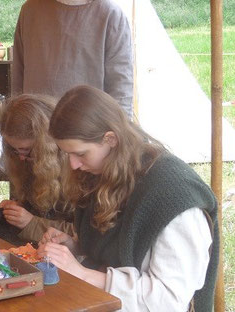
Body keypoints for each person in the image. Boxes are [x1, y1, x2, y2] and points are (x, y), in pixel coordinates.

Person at [38, 85, 218, 311]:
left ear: (111, 139)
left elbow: (169, 301)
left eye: (81, 154)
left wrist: (83, 274)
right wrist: (74, 248)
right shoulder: (104, 174)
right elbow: (119, 253)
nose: (73, 164)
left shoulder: (174, 196)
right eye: (68, 154)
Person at [12, 0, 133, 117]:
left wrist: (120, 135)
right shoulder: (31, 11)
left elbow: (121, 88)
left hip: (86, 134)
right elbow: (17, 75)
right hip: (36, 130)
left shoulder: (110, 15)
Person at [0, 94, 74, 245]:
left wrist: (31, 223)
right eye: (14, 150)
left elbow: (85, 237)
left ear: (48, 144)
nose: (21, 158)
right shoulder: (28, 162)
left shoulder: (78, 169)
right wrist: (18, 208)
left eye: (27, 150)